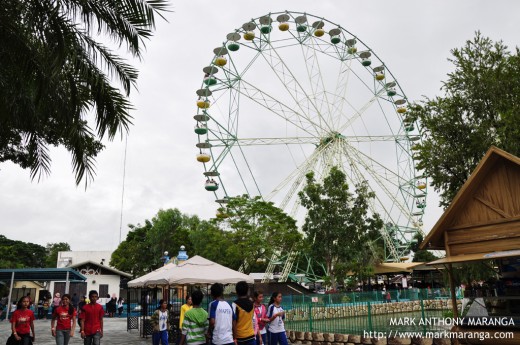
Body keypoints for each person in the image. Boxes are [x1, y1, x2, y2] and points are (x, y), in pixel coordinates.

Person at [232, 281, 255, 345]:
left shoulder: (235, 304)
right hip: (251, 336)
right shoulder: (252, 304)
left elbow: (233, 322)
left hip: (239, 338)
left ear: (237, 291)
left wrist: (234, 338)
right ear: (247, 291)